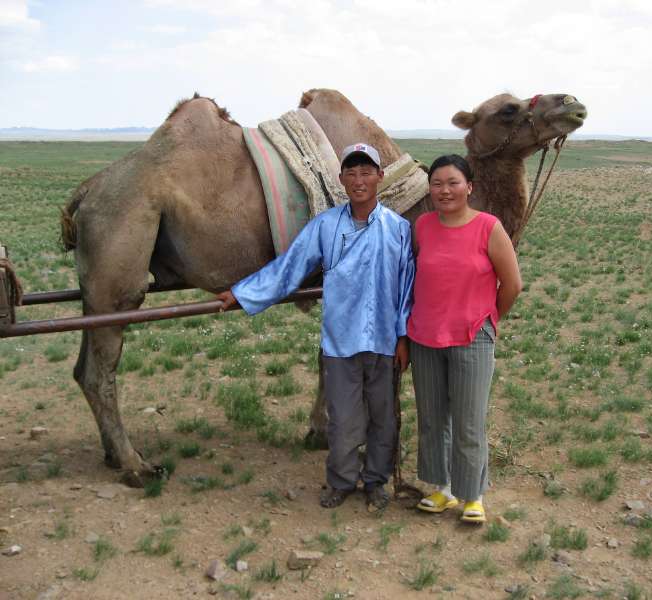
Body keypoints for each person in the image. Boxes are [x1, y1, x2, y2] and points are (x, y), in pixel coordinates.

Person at [217, 143, 415, 510]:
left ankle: (375, 481)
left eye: (366, 172)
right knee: (342, 417)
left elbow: (406, 288)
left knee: (383, 417)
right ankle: (340, 481)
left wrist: (404, 337)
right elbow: (289, 267)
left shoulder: (399, 229)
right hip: (340, 341)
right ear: (341, 180)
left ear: (380, 177)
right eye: (352, 173)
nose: (359, 180)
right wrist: (244, 294)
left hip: (385, 340)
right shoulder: (324, 226)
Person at [408, 154, 522, 523]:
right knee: (432, 418)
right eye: (437, 183)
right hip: (425, 335)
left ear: (469, 187)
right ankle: (441, 489)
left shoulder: (488, 227)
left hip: (472, 336)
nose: (445, 190)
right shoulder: (422, 227)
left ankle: (472, 495)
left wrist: (488, 320)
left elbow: (512, 284)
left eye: (453, 182)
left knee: (469, 421)